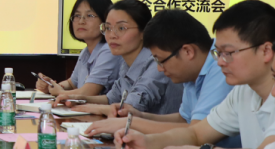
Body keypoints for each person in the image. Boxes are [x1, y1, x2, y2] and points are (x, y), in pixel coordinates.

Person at [115, 0, 275, 149]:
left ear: (266, 51)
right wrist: (146, 141)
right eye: (218, 53)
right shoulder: (243, 91)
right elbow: (196, 133)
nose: (220, 62)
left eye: (228, 53)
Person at [86, 9, 232, 137]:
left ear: (188, 51)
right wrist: (139, 116)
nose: (160, 69)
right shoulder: (192, 71)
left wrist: (130, 124)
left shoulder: (220, 68)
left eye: (161, 61)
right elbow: (184, 119)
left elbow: (196, 131)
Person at [68, 0, 172, 115]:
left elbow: (132, 108)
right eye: (108, 28)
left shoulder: (157, 63)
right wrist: (76, 99)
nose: (112, 35)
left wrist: (97, 108)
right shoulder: (126, 63)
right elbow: (111, 99)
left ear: (144, 32)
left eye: (121, 28)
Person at [37, 0, 118, 99]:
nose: (81, 21)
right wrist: (51, 85)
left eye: (89, 16)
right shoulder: (86, 51)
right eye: (77, 15)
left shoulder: (109, 50)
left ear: (106, 21)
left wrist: (59, 92)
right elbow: (71, 83)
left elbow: (88, 92)